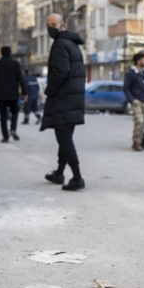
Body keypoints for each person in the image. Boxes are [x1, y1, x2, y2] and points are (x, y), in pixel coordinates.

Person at [40, 13, 86, 191]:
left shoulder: (60, 44)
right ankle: (59, 173)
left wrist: (49, 90)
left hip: (63, 99)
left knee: (64, 139)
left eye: (54, 24)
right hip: (72, 99)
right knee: (64, 139)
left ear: (63, 25)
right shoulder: (72, 43)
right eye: (48, 24)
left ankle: (77, 177)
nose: (51, 27)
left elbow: (61, 72)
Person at [0, 46, 27, 142]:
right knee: (15, 112)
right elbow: (20, 79)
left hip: (1, 94)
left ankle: (5, 137)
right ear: (10, 52)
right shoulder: (15, 64)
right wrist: (24, 92)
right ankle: (13, 128)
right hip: (13, 94)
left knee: (3, 116)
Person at [123, 52, 144, 151]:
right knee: (139, 121)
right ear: (138, 61)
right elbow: (126, 88)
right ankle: (136, 142)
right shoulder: (131, 73)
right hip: (136, 101)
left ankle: (139, 142)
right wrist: (132, 100)